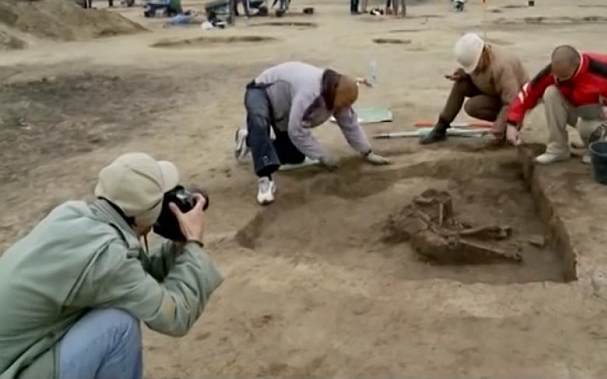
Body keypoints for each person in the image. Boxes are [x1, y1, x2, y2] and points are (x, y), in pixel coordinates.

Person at [0, 152, 223, 379]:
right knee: (119, 325)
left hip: (16, 355)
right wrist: (194, 243)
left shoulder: (72, 214)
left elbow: (137, 277)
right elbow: (176, 316)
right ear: (147, 214)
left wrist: (178, 244)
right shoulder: (107, 257)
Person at [234, 61, 391, 205]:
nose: (343, 109)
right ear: (335, 94)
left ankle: (249, 140)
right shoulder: (310, 93)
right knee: (259, 122)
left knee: (295, 155)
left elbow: (349, 123)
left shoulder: (336, 94)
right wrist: (322, 156)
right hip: (261, 91)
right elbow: (296, 130)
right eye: (342, 105)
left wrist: (367, 151)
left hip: (285, 107)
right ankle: (265, 179)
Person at [505, 45, 607, 164]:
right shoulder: (554, 71)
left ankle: (595, 147)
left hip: (604, 115)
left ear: (576, 67)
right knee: (550, 92)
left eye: (564, 77)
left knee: (587, 128)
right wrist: (512, 123)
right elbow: (528, 92)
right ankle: (558, 149)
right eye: (556, 76)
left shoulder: (603, 68)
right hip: (578, 109)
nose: (559, 80)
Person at [420, 33, 529, 145]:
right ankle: (441, 127)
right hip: (494, 91)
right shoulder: (477, 57)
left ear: (482, 54)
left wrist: (497, 129)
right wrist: (462, 75)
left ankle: (509, 126)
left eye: (474, 66)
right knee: (460, 85)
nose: (474, 71)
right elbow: (474, 74)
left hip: (517, 103)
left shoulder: (502, 66)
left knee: (473, 107)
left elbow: (512, 102)